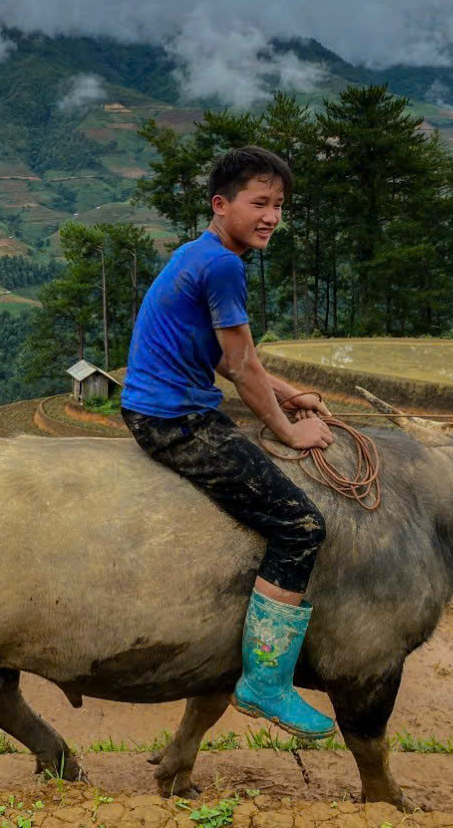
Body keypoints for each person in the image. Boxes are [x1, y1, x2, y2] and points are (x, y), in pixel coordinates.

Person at [120, 145, 337, 740]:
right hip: (177, 420)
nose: (271, 216)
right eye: (259, 202)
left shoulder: (201, 253)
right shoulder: (223, 267)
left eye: (279, 206)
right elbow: (239, 366)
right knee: (302, 527)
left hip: (158, 406)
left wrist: (287, 391)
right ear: (222, 204)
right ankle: (265, 682)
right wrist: (289, 429)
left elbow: (220, 353)